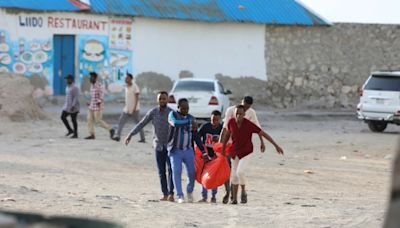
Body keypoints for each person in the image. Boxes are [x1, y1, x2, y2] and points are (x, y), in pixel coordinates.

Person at [221, 105, 284, 204]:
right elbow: (227, 134)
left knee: (240, 172)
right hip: (234, 152)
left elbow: (262, 133)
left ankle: (243, 192)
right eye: (236, 113)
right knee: (233, 176)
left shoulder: (248, 124)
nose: (238, 116)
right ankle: (234, 199)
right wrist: (223, 148)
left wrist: (276, 145)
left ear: (244, 115)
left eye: (240, 114)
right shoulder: (231, 122)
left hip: (246, 152)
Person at [124, 91, 174, 202]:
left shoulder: (172, 113)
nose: (162, 100)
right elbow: (142, 123)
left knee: (171, 170)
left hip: (170, 146)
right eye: (160, 98)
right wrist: (131, 134)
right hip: (158, 146)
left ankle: (171, 194)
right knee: (161, 172)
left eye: (164, 99)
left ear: (168, 100)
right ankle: (165, 194)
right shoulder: (153, 112)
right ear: (157, 100)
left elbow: (179, 127)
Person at [219, 96, 265, 204]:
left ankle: (239, 194)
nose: (245, 108)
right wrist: (221, 145)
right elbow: (225, 128)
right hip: (230, 144)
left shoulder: (251, 113)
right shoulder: (231, 110)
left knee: (237, 171)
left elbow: (257, 128)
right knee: (229, 170)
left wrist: (262, 142)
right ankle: (228, 193)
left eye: (247, 107)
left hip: (243, 145)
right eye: (244, 105)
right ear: (241, 102)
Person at [168, 98, 207, 204]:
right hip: (175, 150)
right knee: (177, 172)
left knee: (191, 173)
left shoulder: (191, 118)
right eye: (183, 108)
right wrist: (190, 122)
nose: (186, 110)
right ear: (178, 107)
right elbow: (175, 123)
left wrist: (203, 151)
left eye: (187, 108)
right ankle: (180, 195)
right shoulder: (172, 115)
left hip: (188, 150)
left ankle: (189, 192)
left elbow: (196, 136)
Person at [197, 110, 223, 203]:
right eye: (213, 119)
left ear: (220, 120)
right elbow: (198, 137)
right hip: (206, 154)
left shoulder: (222, 128)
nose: (214, 122)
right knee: (203, 175)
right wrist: (201, 151)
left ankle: (213, 196)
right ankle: (204, 196)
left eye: (216, 120)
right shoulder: (205, 126)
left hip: (216, 155)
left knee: (214, 176)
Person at [113, 73, 145, 142]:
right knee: (121, 121)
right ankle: (118, 136)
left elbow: (137, 98)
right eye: (125, 78)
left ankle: (143, 138)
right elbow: (128, 98)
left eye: (127, 78)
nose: (125, 79)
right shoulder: (126, 87)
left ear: (131, 79)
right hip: (127, 109)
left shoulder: (135, 87)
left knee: (138, 124)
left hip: (134, 109)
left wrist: (134, 108)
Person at [84, 72, 115, 140]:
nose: (90, 79)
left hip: (98, 106)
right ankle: (92, 134)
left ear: (95, 78)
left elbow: (101, 96)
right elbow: (93, 97)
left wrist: (98, 103)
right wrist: (90, 103)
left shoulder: (99, 86)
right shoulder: (92, 86)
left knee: (98, 121)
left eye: (91, 77)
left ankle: (110, 129)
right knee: (89, 120)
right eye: (90, 77)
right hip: (92, 106)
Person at [61, 74, 80, 138]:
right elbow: (67, 97)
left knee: (73, 120)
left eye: (68, 79)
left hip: (73, 107)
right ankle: (70, 130)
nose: (67, 80)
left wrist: (73, 105)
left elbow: (76, 97)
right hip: (67, 106)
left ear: (71, 79)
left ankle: (75, 134)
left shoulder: (75, 87)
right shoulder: (67, 87)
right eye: (67, 79)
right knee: (63, 117)